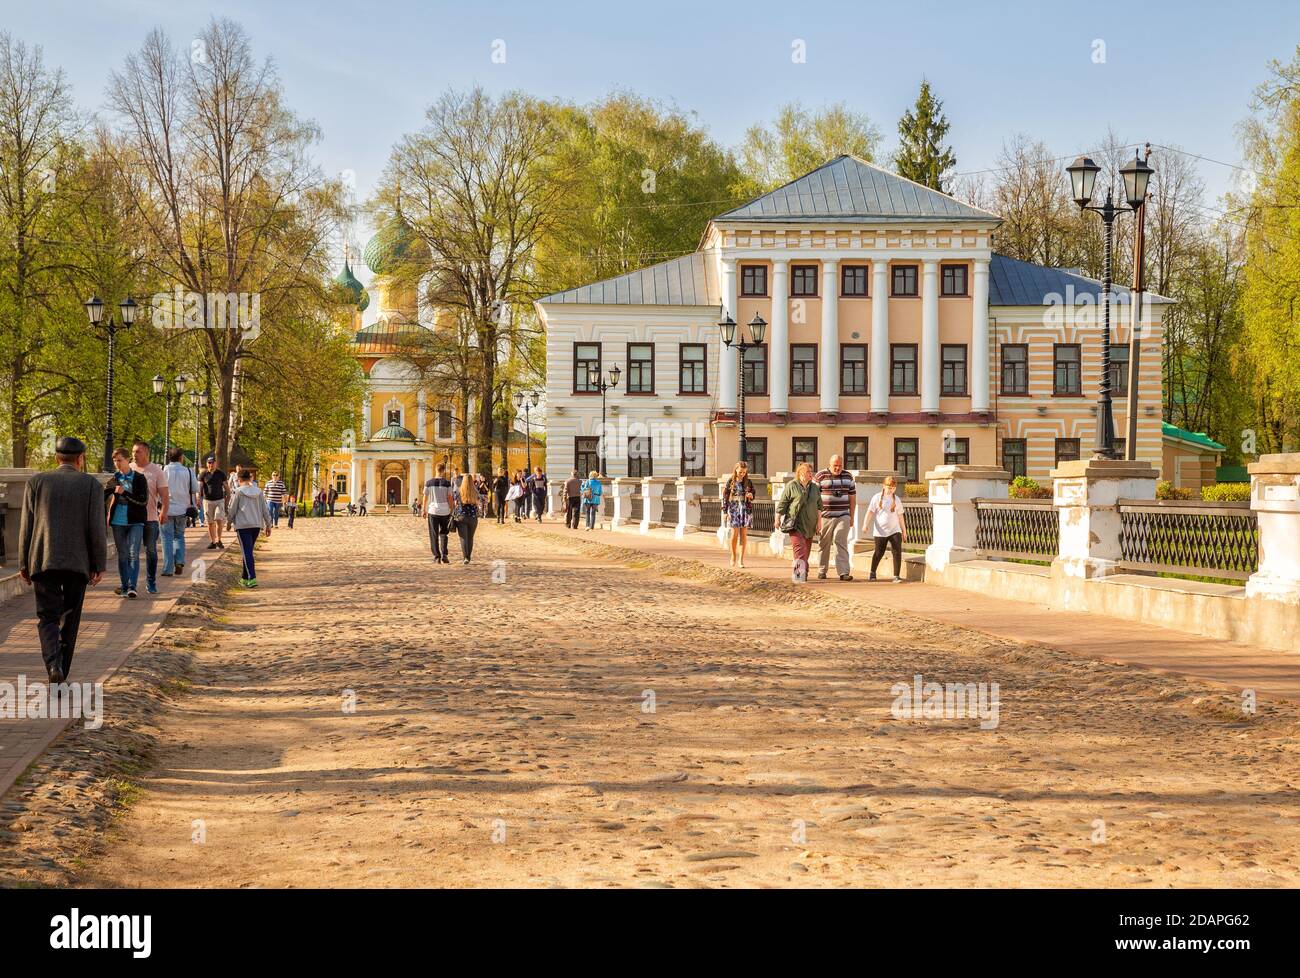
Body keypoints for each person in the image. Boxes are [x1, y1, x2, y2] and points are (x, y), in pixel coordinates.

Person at [18, 436, 106, 683]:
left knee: (47, 617)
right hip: (78, 563)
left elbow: (27, 525)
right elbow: (96, 528)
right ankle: (62, 672)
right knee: (70, 617)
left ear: (57, 458)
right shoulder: (91, 485)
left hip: (43, 560)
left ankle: (52, 664)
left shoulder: (37, 482)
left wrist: (24, 563)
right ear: (81, 459)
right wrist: (99, 563)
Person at [106, 448, 149, 598]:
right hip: (118, 522)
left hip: (136, 521)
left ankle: (132, 586)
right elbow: (101, 498)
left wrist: (124, 493)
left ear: (127, 460)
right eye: (115, 461)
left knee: (133, 554)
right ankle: (124, 586)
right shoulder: (113, 479)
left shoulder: (139, 478)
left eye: (120, 460)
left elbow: (143, 501)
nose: (117, 464)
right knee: (122, 555)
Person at [130, 439, 168, 595]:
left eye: (137, 451)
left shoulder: (156, 471)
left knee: (151, 551)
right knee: (132, 552)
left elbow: (165, 495)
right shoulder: (129, 469)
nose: (134, 454)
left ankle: (151, 582)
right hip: (132, 519)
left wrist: (164, 512)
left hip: (150, 518)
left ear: (146, 452)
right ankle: (131, 585)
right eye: (132, 452)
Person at [776, 462, 822, 583]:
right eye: (808, 472)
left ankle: (804, 572)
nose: (810, 474)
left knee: (806, 550)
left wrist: (819, 523)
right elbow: (783, 504)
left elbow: (819, 507)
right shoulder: (792, 486)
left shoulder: (815, 488)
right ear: (801, 473)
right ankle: (798, 575)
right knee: (799, 549)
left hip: (810, 524)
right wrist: (777, 519)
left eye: (811, 472)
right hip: (795, 523)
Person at [226, 468, 273, 588]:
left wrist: (229, 522)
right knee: (248, 552)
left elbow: (232, 509)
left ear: (239, 479)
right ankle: (244, 577)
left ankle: (252, 577)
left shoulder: (238, 492)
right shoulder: (258, 491)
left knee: (247, 552)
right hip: (256, 525)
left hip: (243, 525)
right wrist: (268, 524)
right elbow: (265, 509)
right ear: (250, 478)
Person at [814, 454, 857, 581]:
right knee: (824, 543)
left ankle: (844, 572)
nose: (837, 468)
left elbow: (852, 498)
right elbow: (814, 498)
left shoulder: (848, 476)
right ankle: (822, 570)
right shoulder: (820, 476)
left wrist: (852, 516)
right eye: (835, 465)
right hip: (825, 516)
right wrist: (817, 520)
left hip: (843, 515)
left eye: (840, 465)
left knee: (841, 542)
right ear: (830, 464)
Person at [161, 446, 198, 576]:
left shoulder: (164, 470)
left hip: (166, 509)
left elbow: (159, 489)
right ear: (181, 458)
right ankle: (179, 561)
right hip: (183, 509)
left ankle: (167, 568)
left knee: (166, 538)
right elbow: (194, 489)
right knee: (179, 536)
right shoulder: (188, 471)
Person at [866, 476, 908, 583]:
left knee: (897, 551)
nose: (891, 490)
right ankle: (872, 572)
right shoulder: (876, 498)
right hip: (880, 531)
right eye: (889, 487)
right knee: (879, 552)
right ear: (884, 486)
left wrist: (904, 531)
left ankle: (896, 575)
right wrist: (865, 524)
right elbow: (870, 512)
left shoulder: (896, 499)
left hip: (895, 530)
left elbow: (900, 516)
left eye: (893, 488)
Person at [722, 461, 756, 569]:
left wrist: (751, 495)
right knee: (734, 534)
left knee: (743, 535)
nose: (742, 474)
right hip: (734, 508)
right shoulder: (730, 482)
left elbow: (753, 494)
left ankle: (741, 560)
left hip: (745, 509)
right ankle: (733, 555)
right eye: (740, 472)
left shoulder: (748, 482)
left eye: (744, 472)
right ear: (736, 470)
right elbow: (725, 497)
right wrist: (724, 511)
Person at [424, 462, 454, 564]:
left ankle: (437, 556)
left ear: (435, 470)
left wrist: (424, 509)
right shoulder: (447, 483)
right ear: (444, 470)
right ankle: (444, 555)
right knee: (444, 533)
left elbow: (425, 497)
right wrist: (451, 509)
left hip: (433, 511)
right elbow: (450, 497)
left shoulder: (428, 483)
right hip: (445, 511)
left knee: (434, 534)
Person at [199, 455, 228, 550]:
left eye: (212, 462)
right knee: (210, 522)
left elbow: (226, 485)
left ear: (215, 463)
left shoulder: (221, 473)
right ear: (207, 464)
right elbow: (200, 487)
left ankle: (219, 540)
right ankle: (213, 542)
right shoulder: (203, 474)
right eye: (209, 463)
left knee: (219, 519)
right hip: (207, 501)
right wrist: (198, 498)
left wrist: (229, 495)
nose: (211, 464)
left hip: (219, 500)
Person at [453, 473, 480, 563]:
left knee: (463, 538)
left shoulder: (459, 491)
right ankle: (468, 557)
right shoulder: (475, 491)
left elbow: (455, 503)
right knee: (470, 537)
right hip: (473, 517)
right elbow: (479, 502)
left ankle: (465, 557)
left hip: (462, 517)